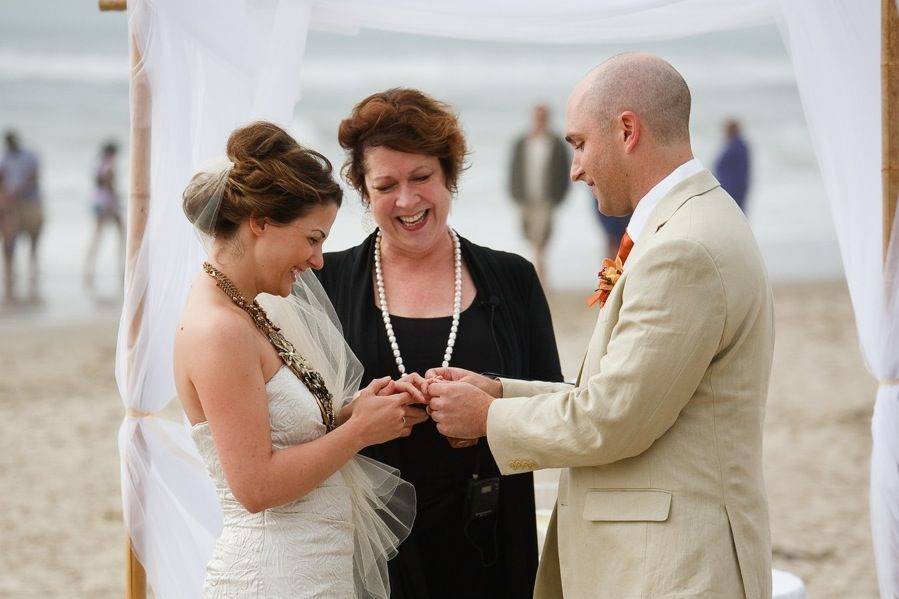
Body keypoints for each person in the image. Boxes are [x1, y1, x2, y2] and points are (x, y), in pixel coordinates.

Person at [424, 53, 774, 599]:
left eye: (580, 144)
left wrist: (489, 416)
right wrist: (500, 390)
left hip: (669, 570)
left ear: (627, 130)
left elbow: (614, 419)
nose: (575, 169)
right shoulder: (691, 222)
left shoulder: (682, 248)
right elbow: (623, 395)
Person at [316, 88, 564, 599]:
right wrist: (356, 418)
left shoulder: (512, 279)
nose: (407, 201)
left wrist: (492, 404)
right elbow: (293, 424)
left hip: (493, 547)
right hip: (366, 557)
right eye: (386, 184)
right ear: (363, 191)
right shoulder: (326, 283)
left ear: (449, 175)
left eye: (422, 178)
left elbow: (561, 411)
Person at [174, 121, 420, 597]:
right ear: (261, 222)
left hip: (311, 571)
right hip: (273, 577)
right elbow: (256, 487)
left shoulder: (247, 310)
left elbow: (280, 434)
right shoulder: (218, 330)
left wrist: (356, 410)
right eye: (312, 238)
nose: (318, 260)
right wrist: (359, 432)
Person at [508, 104, 571, 284]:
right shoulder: (522, 142)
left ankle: (538, 278)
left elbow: (564, 171)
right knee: (531, 238)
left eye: (543, 117)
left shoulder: (556, 144)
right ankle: (540, 276)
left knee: (540, 240)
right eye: (537, 117)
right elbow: (514, 170)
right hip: (525, 199)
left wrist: (559, 197)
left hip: (546, 200)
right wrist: (515, 194)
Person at [0, 131, 43, 300]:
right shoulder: (5, 159)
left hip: (30, 202)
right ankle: (9, 274)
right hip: (12, 205)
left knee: (34, 237)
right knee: (9, 240)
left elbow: (34, 177)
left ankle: (33, 271)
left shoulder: (30, 156)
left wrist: (16, 192)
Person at [84, 141, 124, 289]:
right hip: (107, 204)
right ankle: (123, 266)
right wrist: (116, 203)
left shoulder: (97, 164)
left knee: (96, 236)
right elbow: (110, 186)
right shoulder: (109, 166)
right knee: (121, 235)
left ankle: (89, 269)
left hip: (97, 202)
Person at [714, 119, 751, 212]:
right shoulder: (733, 145)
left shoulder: (738, 147)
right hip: (729, 188)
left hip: (733, 190)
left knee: (734, 214)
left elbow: (742, 171)